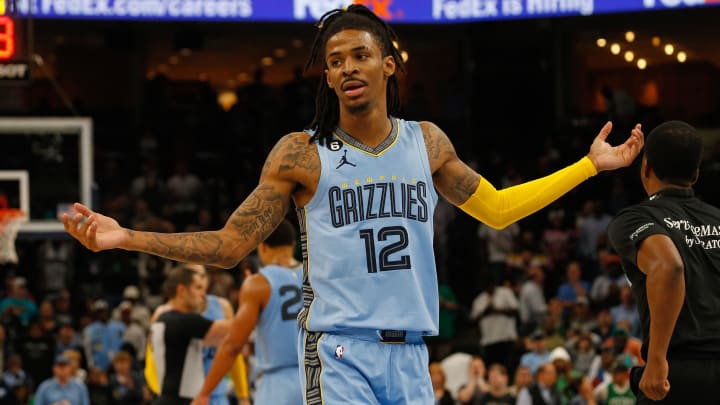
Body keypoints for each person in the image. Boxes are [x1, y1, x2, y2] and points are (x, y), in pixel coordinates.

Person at [62, 5, 644, 402]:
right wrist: (125, 236)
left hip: (413, 352)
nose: (345, 68)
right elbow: (230, 245)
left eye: (358, 55)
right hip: (339, 349)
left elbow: (497, 210)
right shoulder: (301, 154)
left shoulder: (427, 141)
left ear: (388, 64)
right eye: (334, 60)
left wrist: (589, 166)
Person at [607, 120, 720, 404]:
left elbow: (669, 267)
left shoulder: (636, 219)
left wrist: (656, 359)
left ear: (645, 167)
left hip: (677, 374)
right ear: (695, 173)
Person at [191, 220, 303, 405]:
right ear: (293, 245)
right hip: (317, 378)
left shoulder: (258, 284)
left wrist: (204, 393)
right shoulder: (315, 274)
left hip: (278, 384)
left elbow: (233, 345)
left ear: (262, 247)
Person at [145, 264, 250, 405]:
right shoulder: (182, 320)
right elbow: (235, 331)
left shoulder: (165, 318)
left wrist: (242, 394)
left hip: (207, 396)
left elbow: (232, 349)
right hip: (186, 399)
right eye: (198, 287)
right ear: (182, 290)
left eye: (204, 279)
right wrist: (254, 301)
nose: (203, 293)